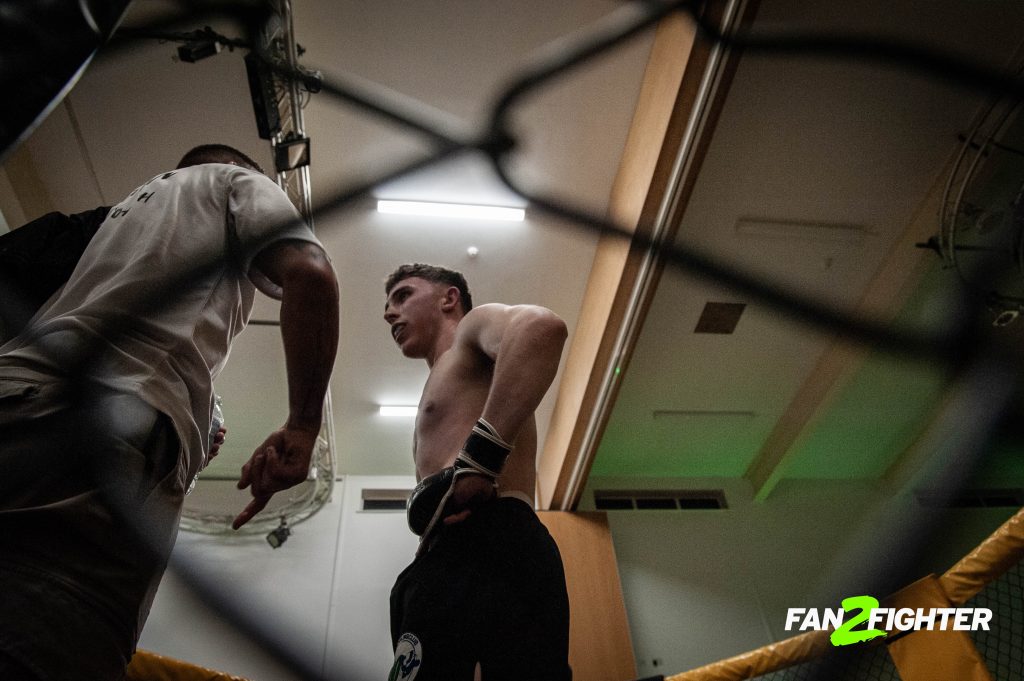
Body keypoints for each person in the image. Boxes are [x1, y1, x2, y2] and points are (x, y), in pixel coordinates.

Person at [0, 144, 339, 681]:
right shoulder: (233, 182)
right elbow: (311, 275)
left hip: (16, 395)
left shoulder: (117, 218)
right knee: (56, 644)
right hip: (111, 424)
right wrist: (303, 424)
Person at [383, 263, 572, 680]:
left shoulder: (472, 329)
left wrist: (480, 460)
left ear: (449, 298)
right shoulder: (443, 378)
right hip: (441, 558)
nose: (389, 314)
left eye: (402, 296)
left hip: (497, 535)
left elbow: (541, 328)